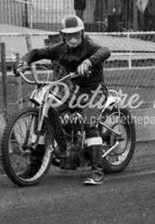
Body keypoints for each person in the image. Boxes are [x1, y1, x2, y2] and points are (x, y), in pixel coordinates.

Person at [16, 15, 113, 186]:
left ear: (82, 33)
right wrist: (24, 61)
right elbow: (38, 53)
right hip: (73, 92)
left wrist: (89, 62)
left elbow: (105, 51)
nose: (73, 39)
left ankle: (97, 172)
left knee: (89, 123)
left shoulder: (89, 46)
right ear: (63, 36)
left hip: (94, 91)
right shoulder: (60, 48)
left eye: (76, 34)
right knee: (48, 114)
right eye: (68, 35)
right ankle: (39, 163)